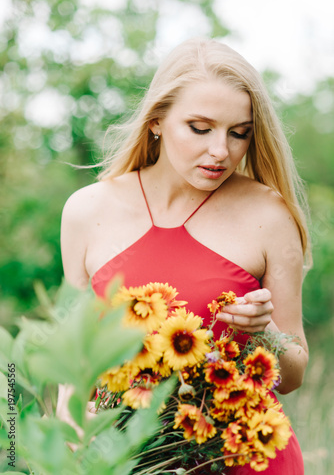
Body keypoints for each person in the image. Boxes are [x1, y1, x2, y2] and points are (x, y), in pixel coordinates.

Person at [60, 37, 310, 473]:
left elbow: (292, 377)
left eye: (239, 133)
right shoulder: (86, 211)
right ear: (156, 120)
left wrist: (264, 330)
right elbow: (72, 366)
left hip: (247, 457)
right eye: (200, 128)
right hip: (132, 461)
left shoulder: (269, 214)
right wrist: (68, 448)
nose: (221, 151)